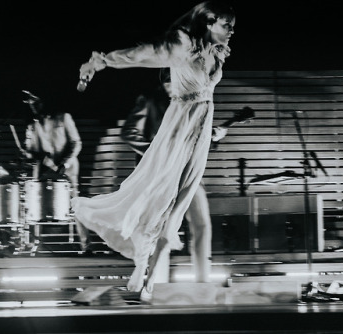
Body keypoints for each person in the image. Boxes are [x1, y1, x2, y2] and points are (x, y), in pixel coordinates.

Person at [72, 0, 235, 294]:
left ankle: (147, 279)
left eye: (233, 27)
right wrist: (106, 60)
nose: (232, 31)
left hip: (198, 134)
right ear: (209, 23)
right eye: (227, 25)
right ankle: (142, 268)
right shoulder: (184, 43)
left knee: (179, 207)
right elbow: (147, 54)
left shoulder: (216, 51)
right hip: (178, 130)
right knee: (162, 204)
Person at [120, 68, 229, 290]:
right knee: (159, 228)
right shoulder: (150, 100)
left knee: (202, 224)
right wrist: (158, 153)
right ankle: (154, 283)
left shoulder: (193, 103)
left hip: (188, 173)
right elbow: (129, 132)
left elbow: (197, 139)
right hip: (160, 175)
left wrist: (217, 134)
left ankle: (202, 280)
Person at [20, 91, 89, 248]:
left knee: (75, 205)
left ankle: (86, 246)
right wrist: (27, 152)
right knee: (33, 200)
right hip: (44, 168)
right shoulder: (32, 125)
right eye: (30, 104)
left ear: (44, 102)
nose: (33, 106)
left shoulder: (63, 117)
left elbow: (76, 142)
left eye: (35, 102)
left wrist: (65, 162)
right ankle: (33, 245)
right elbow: (32, 150)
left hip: (67, 168)